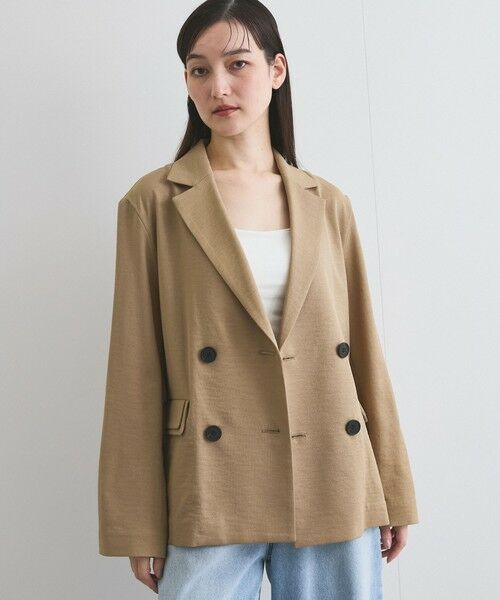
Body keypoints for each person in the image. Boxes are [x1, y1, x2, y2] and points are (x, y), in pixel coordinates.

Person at [98, 1, 419, 598]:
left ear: (277, 70)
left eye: (237, 64)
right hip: (212, 482)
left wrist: (392, 489)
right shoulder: (154, 204)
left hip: (331, 473)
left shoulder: (327, 203)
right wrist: (137, 521)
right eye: (199, 70)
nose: (217, 87)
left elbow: (363, 354)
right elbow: (134, 371)